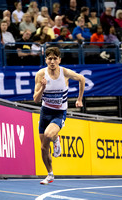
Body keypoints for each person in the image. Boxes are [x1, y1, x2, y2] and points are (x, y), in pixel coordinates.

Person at [33, 47, 85, 185]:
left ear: (59, 60)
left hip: (59, 112)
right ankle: (50, 174)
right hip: (45, 112)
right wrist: (43, 88)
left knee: (49, 135)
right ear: (46, 60)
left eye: (55, 58)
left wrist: (79, 99)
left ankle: (56, 139)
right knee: (43, 147)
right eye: (49, 58)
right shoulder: (40, 74)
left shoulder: (65, 73)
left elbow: (82, 79)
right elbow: (36, 100)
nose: (52, 61)